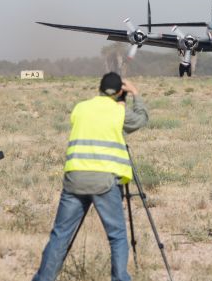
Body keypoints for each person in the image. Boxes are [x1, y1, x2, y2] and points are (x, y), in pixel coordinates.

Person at [32, 73, 148, 281]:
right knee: (117, 236)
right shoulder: (118, 112)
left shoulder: (81, 108)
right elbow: (140, 120)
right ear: (120, 92)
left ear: (99, 89)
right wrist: (136, 94)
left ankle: (44, 278)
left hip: (74, 178)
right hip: (105, 181)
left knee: (60, 235)